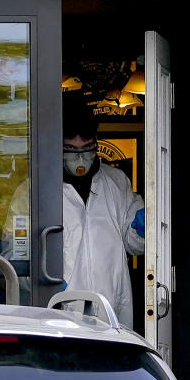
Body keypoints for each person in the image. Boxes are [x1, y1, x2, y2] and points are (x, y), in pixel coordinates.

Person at [59, 102, 145, 328]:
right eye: (70, 150)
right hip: (60, 311)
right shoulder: (36, 190)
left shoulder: (116, 182)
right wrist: (49, 283)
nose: (80, 158)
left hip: (111, 307)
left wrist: (142, 228)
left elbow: (134, 245)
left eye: (87, 149)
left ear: (96, 143)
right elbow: (17, 256)